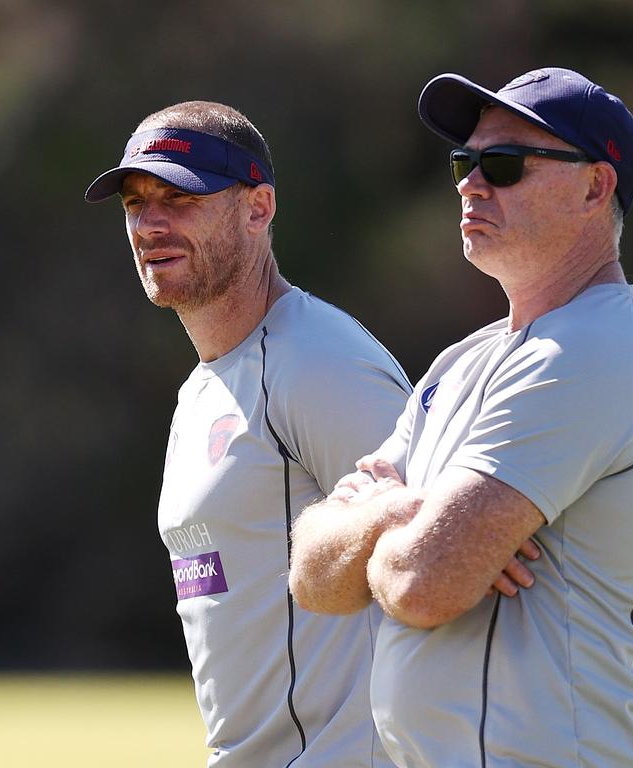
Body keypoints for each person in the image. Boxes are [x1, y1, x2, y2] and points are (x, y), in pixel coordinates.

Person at [289, 68, 633, 767]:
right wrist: (403, 517)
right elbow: (312, 579)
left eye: (503, 164)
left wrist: (388, 529)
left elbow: (424, 585)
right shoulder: (462, 362)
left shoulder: (592, 347)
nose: (471, 184)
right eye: (463, 162)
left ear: (596, 187)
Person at [85, 101, 409, 767]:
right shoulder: (201, 391)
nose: (150, 223)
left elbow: (438, 561)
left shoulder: (321, 362)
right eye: (136, 203)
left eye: (180, 197)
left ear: (258, 209)